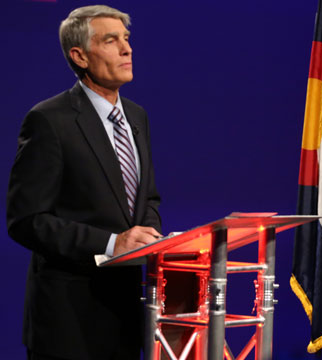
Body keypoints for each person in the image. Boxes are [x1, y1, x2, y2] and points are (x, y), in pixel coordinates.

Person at [6, 5, 162, 359]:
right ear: (80, 56)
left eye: (126, 39)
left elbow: (147, 198)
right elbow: (26, 221)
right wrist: (112, 243)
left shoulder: (137, 116)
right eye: (111, 40)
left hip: (126, 316)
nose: (127, 49)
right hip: (69, 323)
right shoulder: (48, 120)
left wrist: (147, 237)